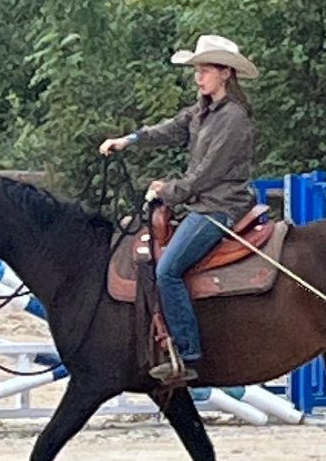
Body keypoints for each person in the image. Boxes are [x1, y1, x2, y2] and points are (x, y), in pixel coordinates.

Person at [100, 35, 259, 386]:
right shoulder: (202, 112)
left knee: (169, 270)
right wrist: (130, 140)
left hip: (219, 208)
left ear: (226, 74)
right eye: (197, 70)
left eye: (205, 70)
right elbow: (170, 129)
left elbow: (206, 175)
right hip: (201, 204)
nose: (198, 77)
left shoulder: (232, 119)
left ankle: (186, 352)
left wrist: (166, 191)